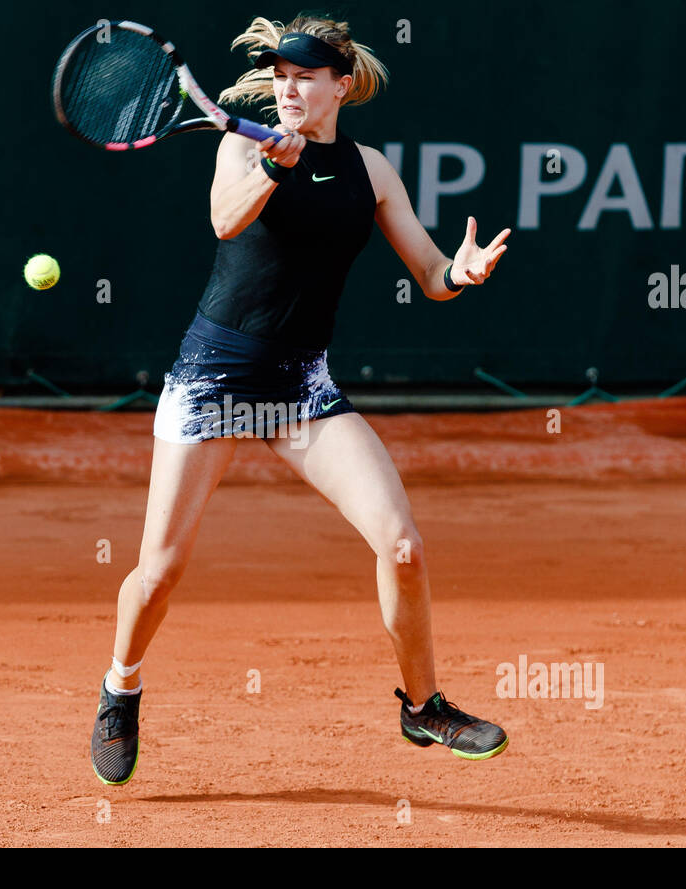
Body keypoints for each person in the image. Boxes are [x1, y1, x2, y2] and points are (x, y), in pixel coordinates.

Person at [92, 15, 512, 785]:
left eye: (305, 75)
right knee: (159, 572)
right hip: (213, 383)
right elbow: (225, 219)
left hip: (301, 389)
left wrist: (463, 272)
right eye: (279, 75)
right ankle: (122, 687)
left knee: (404, 545)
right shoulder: (242, 145)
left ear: (339, 85)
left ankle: (423, 704)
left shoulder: (373, 170)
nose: (288, 87)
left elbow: (428, 271)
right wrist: (274, 168)